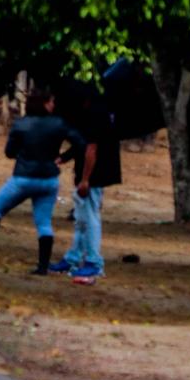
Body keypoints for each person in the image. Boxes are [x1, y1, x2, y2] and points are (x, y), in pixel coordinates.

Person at [0, 87, 86, 275]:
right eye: (51, 101)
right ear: (44, 104)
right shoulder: (59, 124)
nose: (53, 104)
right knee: (44, 223)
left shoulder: (21, 124)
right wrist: (64, 157)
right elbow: (81, 143)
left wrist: (23, 154)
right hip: (49, 180)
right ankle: (42, 266)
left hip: (23, 178)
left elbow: (9, 152)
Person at [55, 76, 122, 283]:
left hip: (95, 173)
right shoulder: (97, 111)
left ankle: (94, 262)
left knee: (89, 217)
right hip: (97, 171)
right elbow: (83, 145)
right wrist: (64, 157)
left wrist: (85, 179)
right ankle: (74, 258)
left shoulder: (94, 113)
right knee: (82, 218)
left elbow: (91, 149)